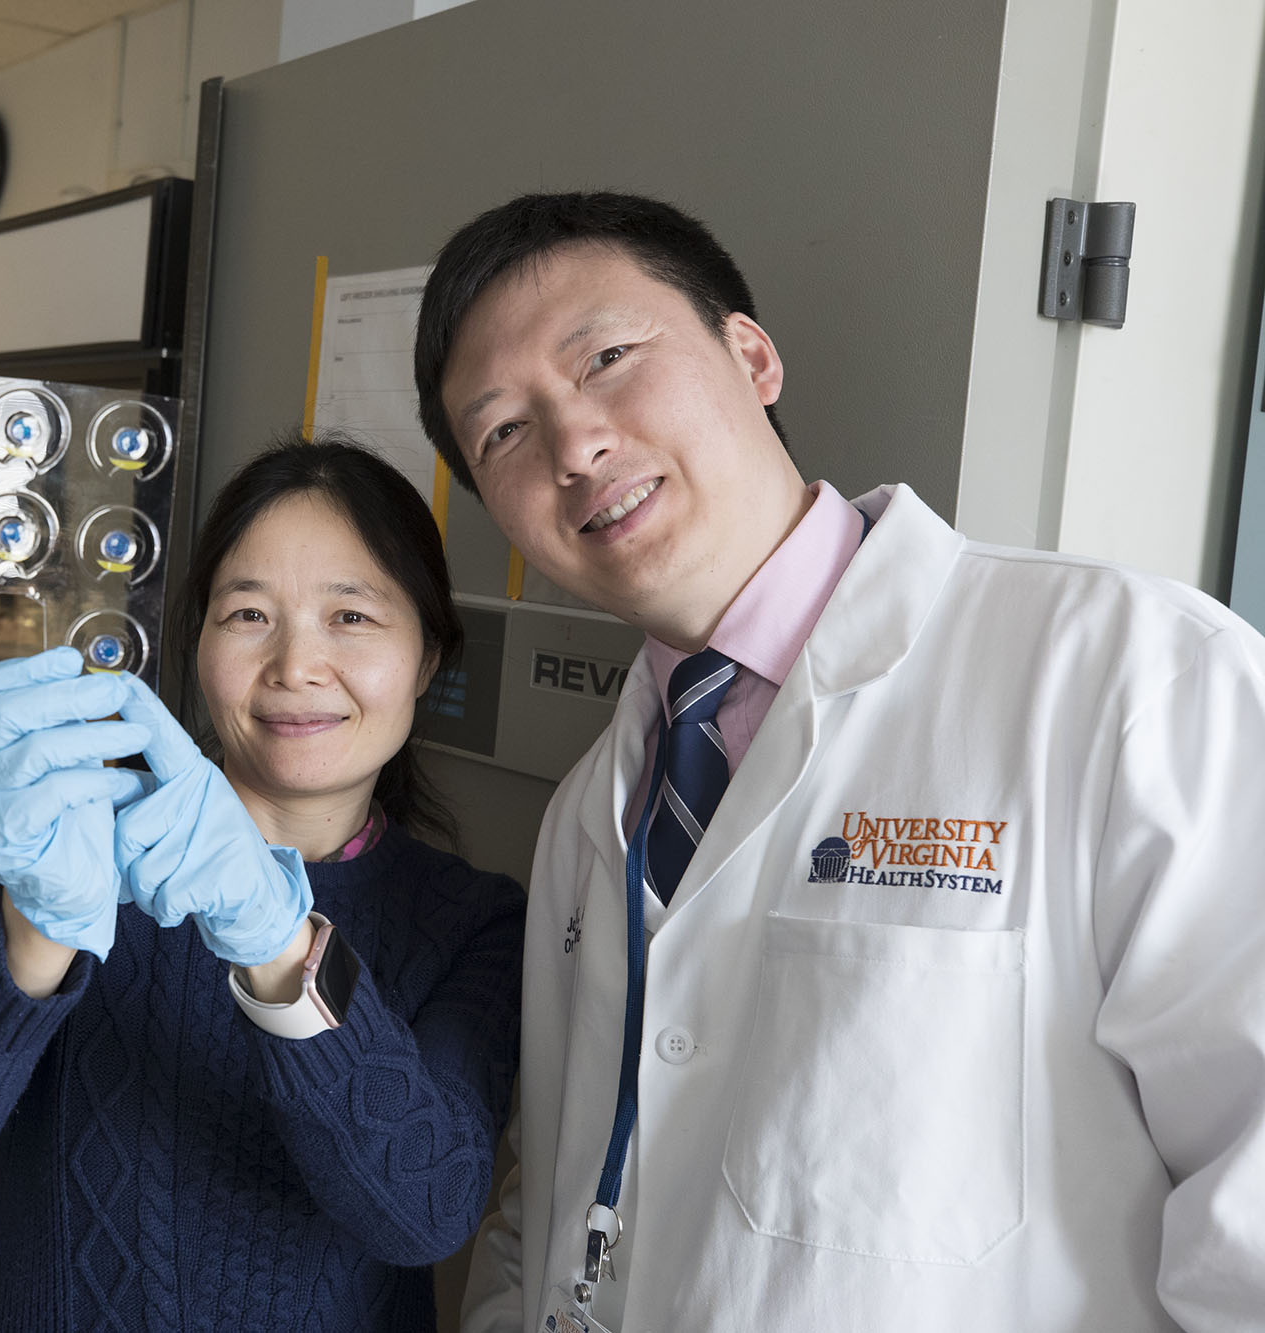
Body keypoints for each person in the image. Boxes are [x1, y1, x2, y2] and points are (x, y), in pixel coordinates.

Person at [411, 190, 1265, 1333]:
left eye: (606, 357)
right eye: (502, 432)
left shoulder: (1128, 678)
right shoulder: (593, 814)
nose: (574, 444)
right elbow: (566, 1198)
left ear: (750, 355)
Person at [0, 435, 526, 1329]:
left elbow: (424, 1212)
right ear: (196, 642)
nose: (295, 666)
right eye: (247, 614)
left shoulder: (474, 920)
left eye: (351, 616)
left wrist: (278, 942)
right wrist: (37, 926)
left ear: (430, 657)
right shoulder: (71, 845)